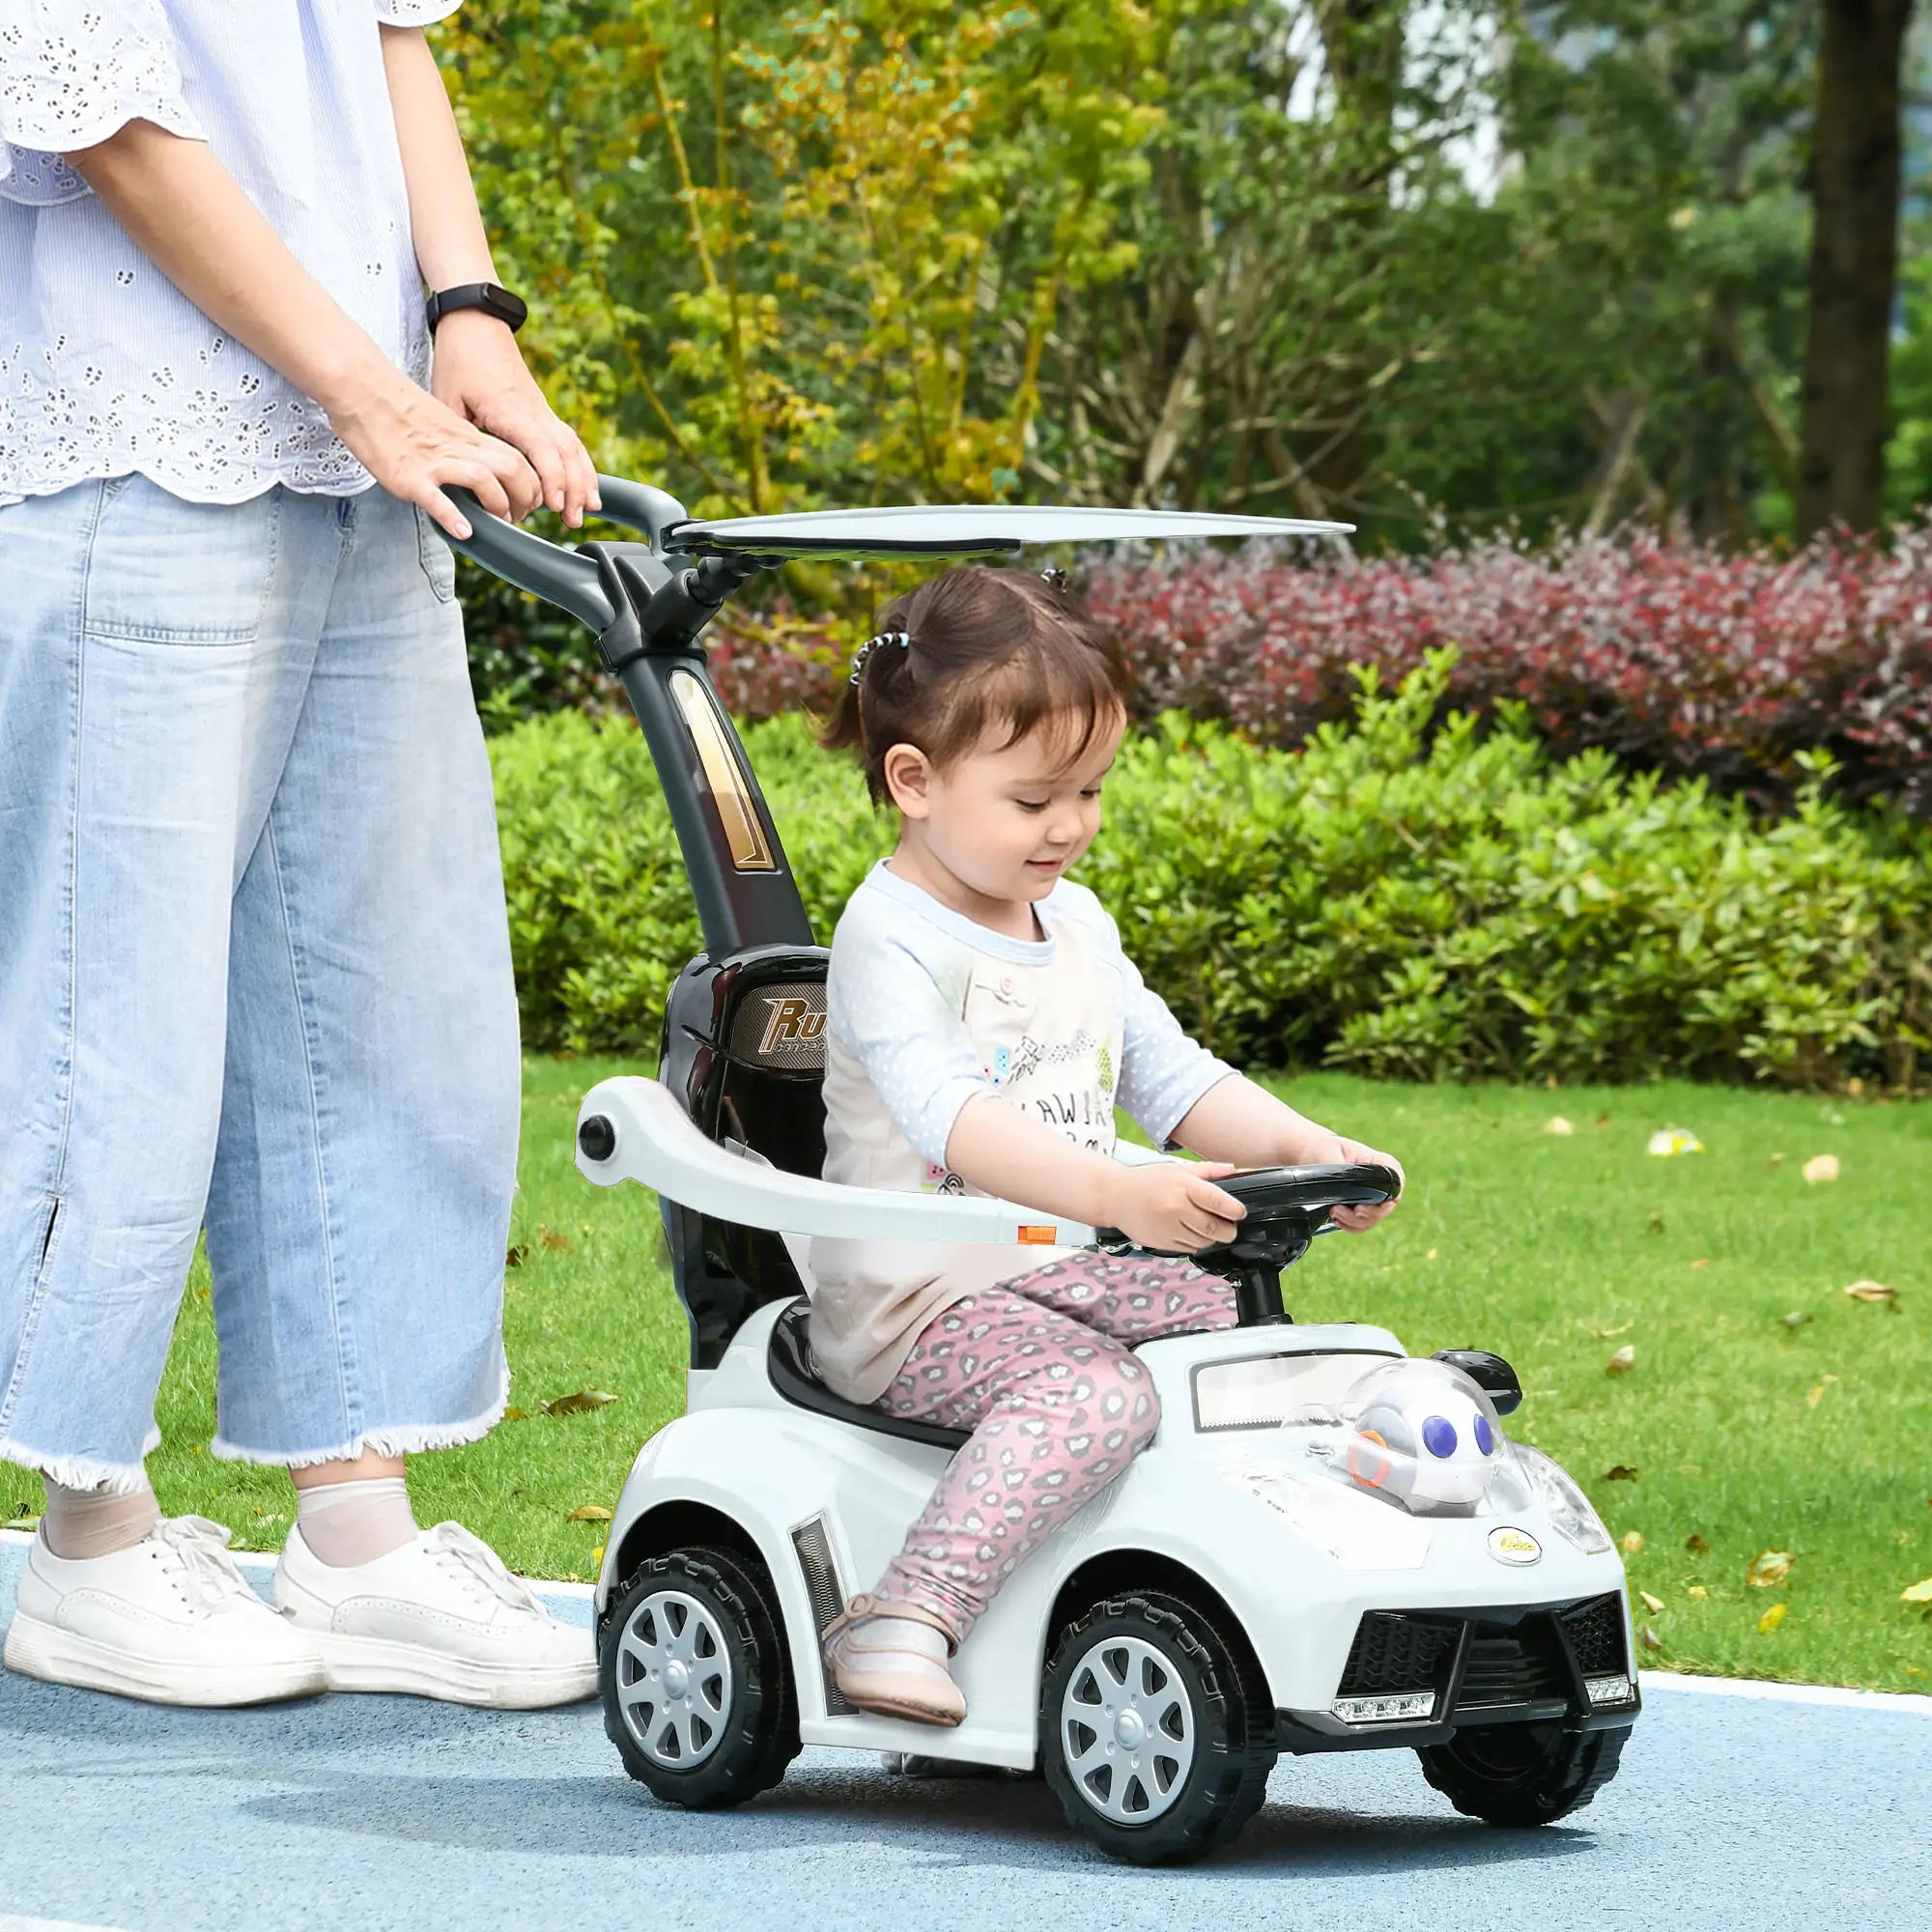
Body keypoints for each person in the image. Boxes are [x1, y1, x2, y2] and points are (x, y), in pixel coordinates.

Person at [0, 1, 599, 1710]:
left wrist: (467, 318)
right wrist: (368, 385)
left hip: (357, 455)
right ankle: (87, 1538)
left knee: (386, 1006)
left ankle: (358, 1536)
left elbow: (400, 36)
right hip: (136, 444)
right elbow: (97, 110)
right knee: (107, 1018)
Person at [808, 564, 1406, 1726]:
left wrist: (1308, 1143)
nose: (1069, 826)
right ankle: (908, 1611)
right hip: (917, 1300)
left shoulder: (1073, 920)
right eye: (1034, 800)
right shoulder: (888, 938)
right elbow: (958, 1126)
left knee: (1239, 1326)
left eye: (1087, 792)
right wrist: (1122, 1190)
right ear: (914, 780)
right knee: (1096, 1391)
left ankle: (1242, 1566)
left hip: (1051, 1266)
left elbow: (1170, 1076)